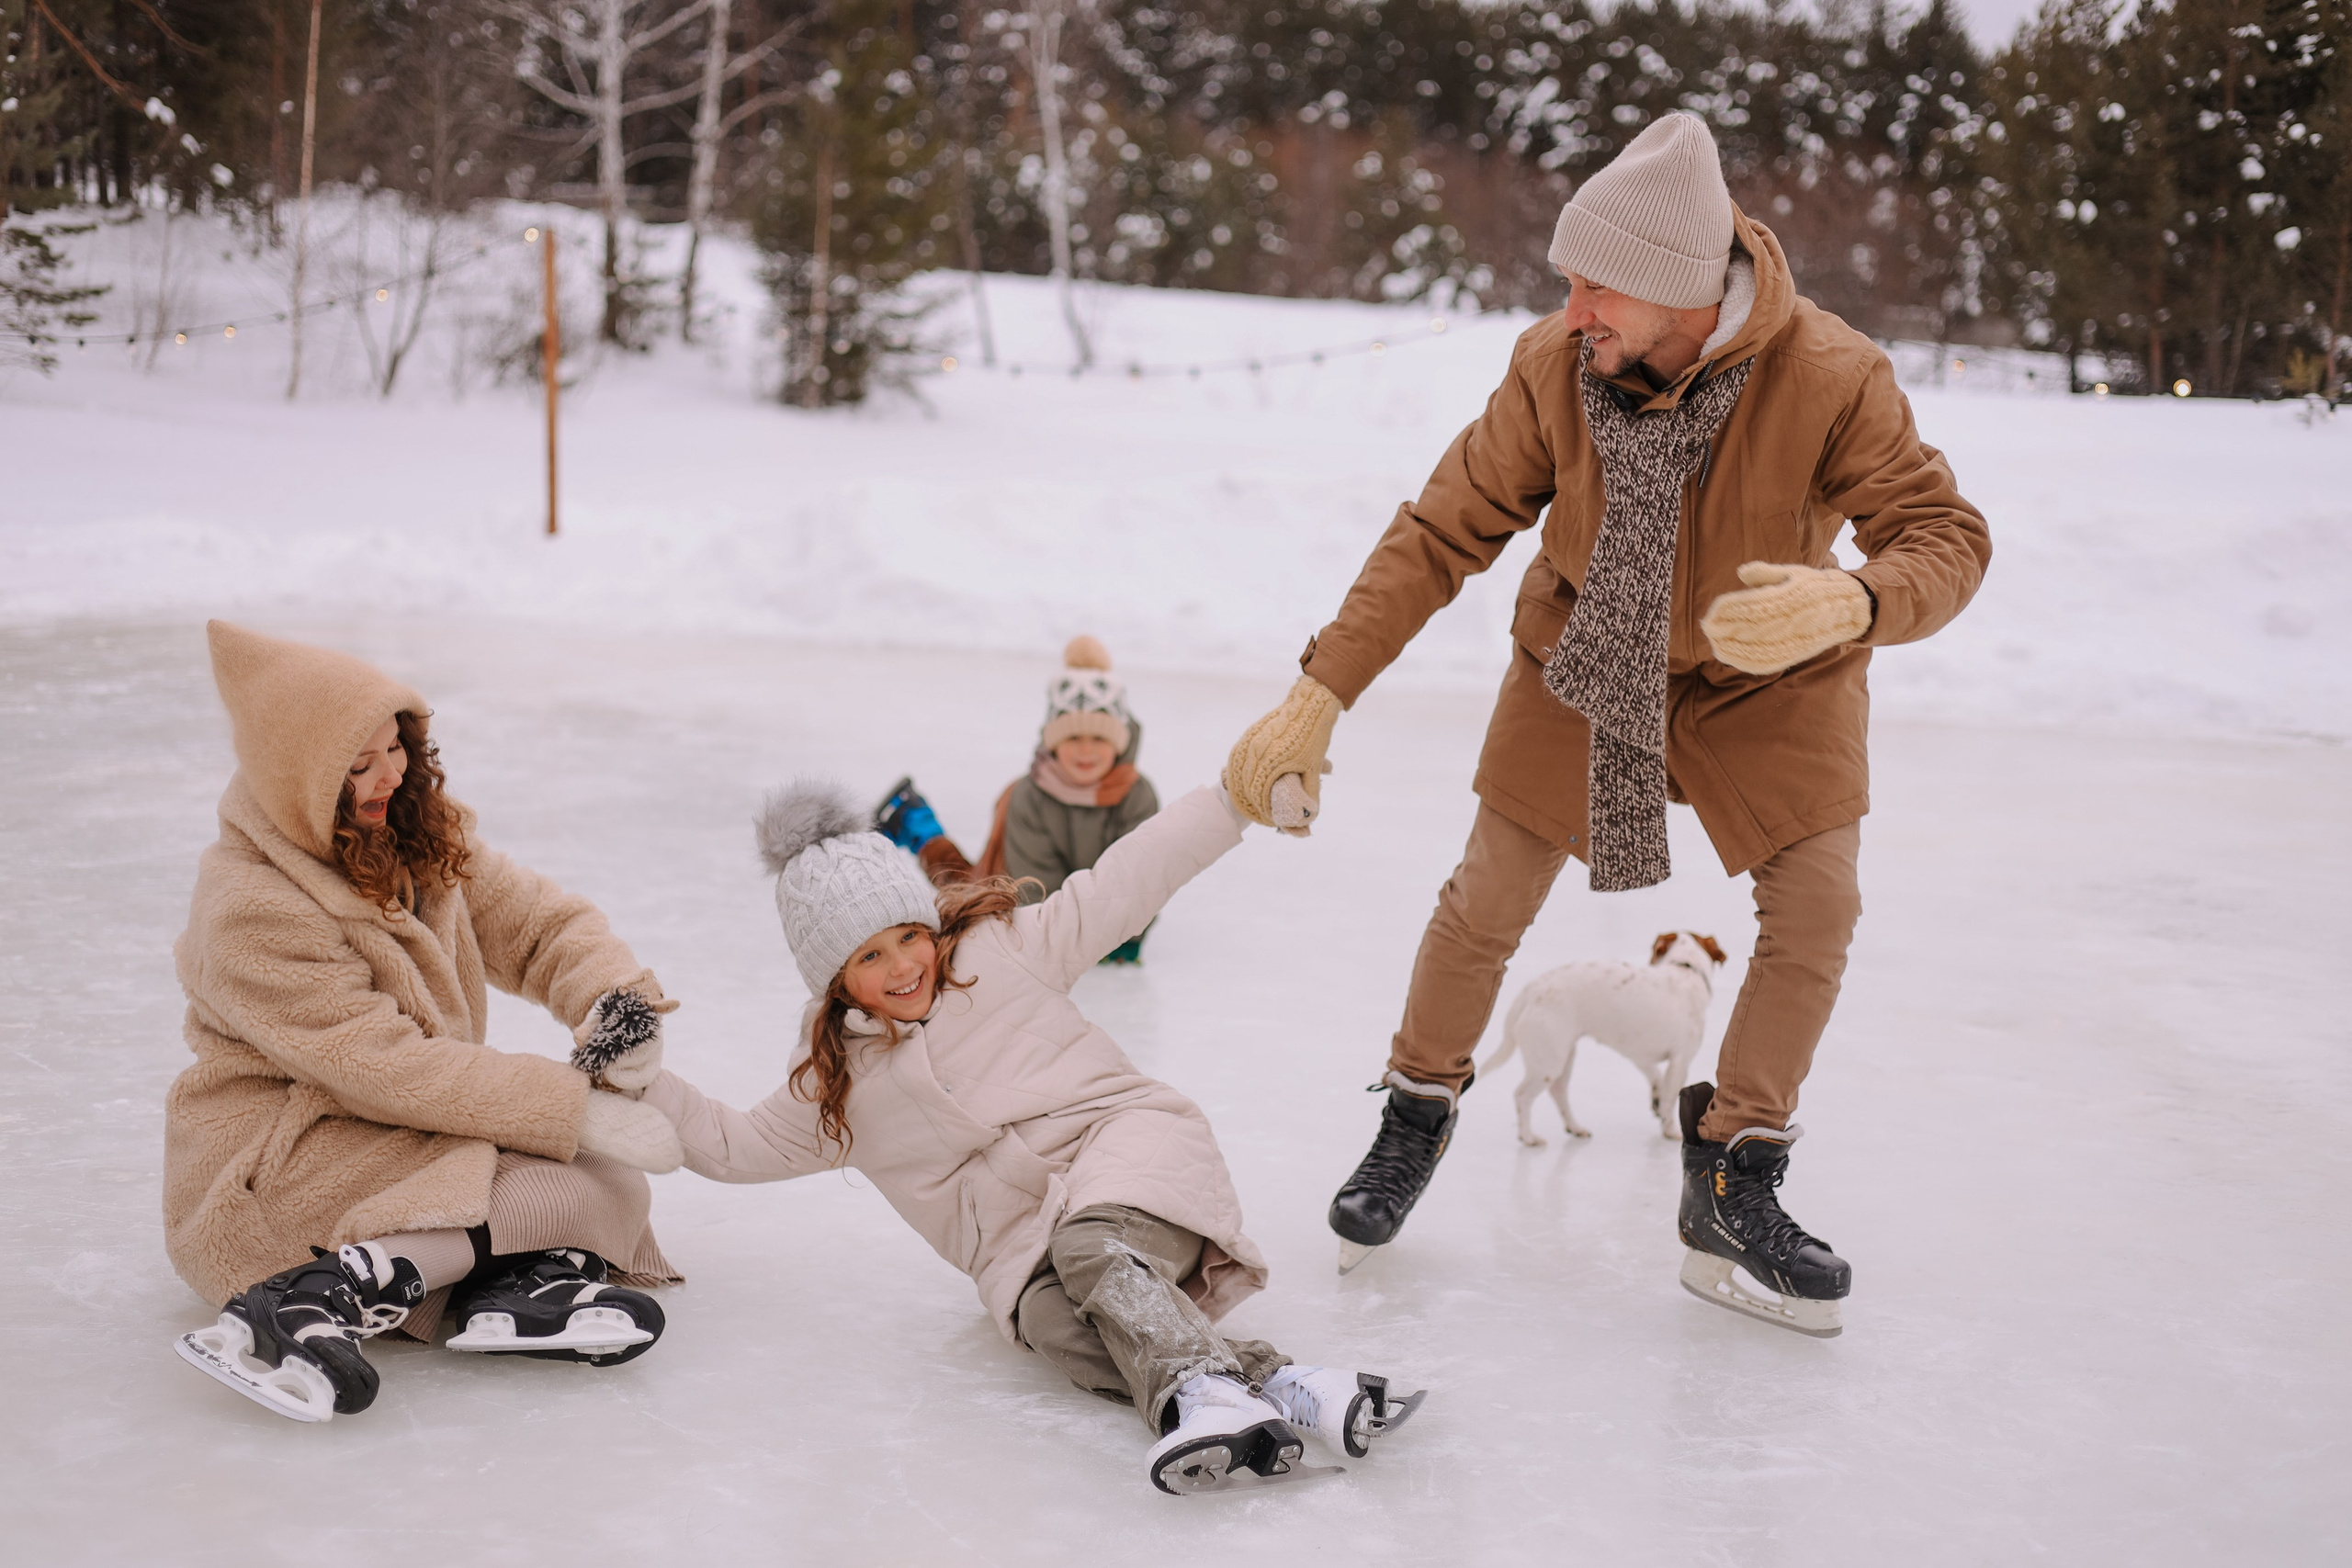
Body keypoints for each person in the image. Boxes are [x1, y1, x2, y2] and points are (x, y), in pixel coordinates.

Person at [1223, 113, 1992, 1335]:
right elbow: (1439, 531)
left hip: (1767, 664)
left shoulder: (1833, 377)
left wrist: (1854, 600)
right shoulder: (1554, 368)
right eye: (1568, 284)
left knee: (1818, 907)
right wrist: (1320, 692)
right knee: (1488, 892)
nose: (1571, 309)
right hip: (1582, 653)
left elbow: (1945, 535)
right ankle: (1415, 1108)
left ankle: (1736, 1175)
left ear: (1683, 286)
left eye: (1596, 287)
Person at [640, 780, 1423, 1494]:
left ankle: (1200, 1390)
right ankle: (1284, 1387)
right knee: (1043, 1321)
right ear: (835, 979)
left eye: (909, 934)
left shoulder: (1002, 951)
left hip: (1134, 1160)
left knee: (1088, 1243)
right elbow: (731, 1144)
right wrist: (638, 1075)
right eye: (870, 956)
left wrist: (1232, 798)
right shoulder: (838, 1087)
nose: (904, 965)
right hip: (1027, 1249)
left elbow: (1130, 878)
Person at [166, 621, 686, 1423]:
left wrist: (614, 1003)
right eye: (359, 764)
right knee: (553, 1171)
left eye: (396, 747)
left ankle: (516, 1281)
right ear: (299, 777)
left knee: (605, 1181)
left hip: (396, 1123)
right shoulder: (250, 908)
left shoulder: (411, 835)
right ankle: (319, 1291)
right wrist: (571, 1106)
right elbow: (384, 1064)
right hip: (281, 1157)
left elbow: (538, 925)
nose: (390, 774)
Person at [874, 636, 1159, 961]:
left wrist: (1127, 935)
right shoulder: (1028, 798)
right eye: (1073, 737)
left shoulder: (1138, 797)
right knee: (975, 897)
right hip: (1034, 892)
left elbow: (1144, 878)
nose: (1085, 750)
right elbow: (1038, 898)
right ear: (1053, 742)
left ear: (1118, 743)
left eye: (1098, 737)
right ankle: (917, 824)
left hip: (1093, 921)